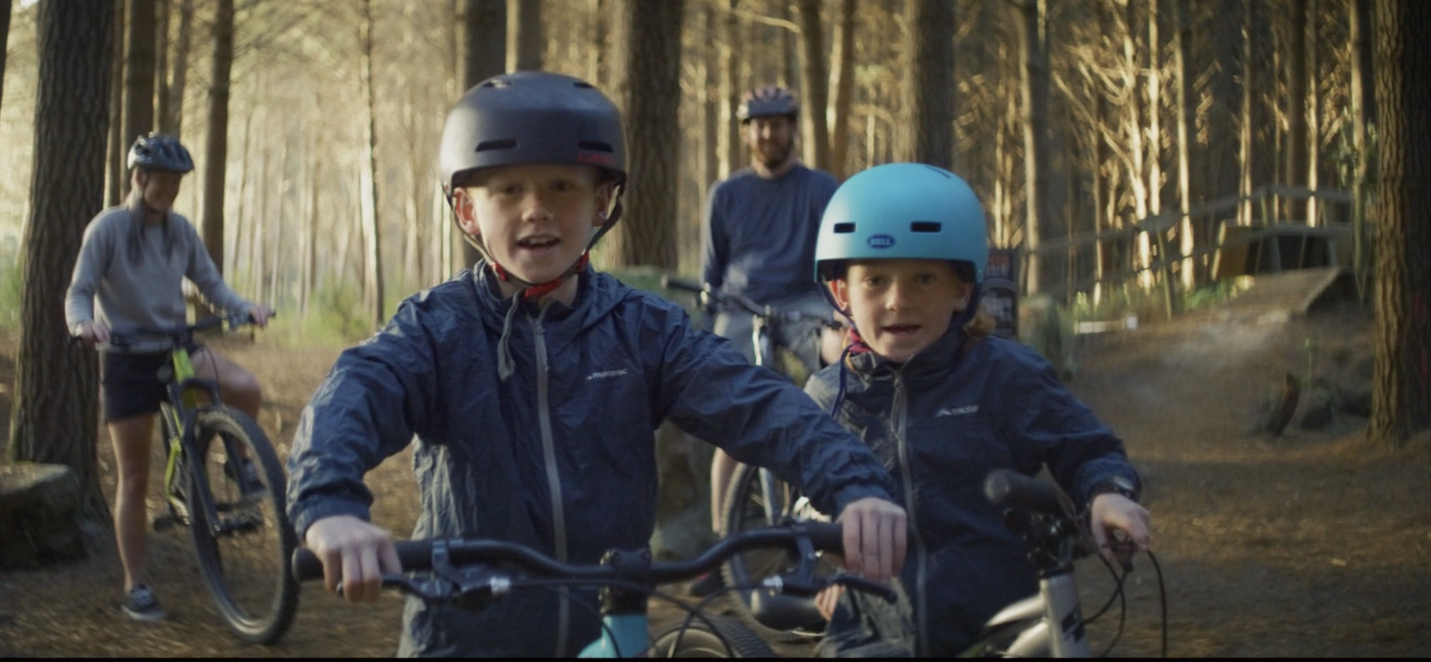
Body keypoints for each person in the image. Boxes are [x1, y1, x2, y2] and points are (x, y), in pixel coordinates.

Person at [285, 71, 910, 658]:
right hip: (463, 630)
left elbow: (759, 402)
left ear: (602, 200)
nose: (537, 208)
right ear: (469, 210)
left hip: (611, 625)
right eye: (509, 189)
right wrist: (331, 508)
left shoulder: (643, 330)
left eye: (562, 186)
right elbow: (355, 394)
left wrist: (853, 483)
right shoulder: (435, 330)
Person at [805, 162, 1153, 657]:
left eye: (923, 279)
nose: (898, 301)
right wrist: (826, 555)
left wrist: (1106, 494)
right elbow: (804, 498)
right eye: (875, 280)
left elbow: (1086, 447)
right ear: (842, 292)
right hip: (872, 633)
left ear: (962, 289)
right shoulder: (828, 396)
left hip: (996, 631)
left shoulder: (1004, 376)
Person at [65, 132, 273, 622]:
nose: (171, 192)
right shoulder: (107, 229)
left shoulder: (180, 230)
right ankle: (135, 586)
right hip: (127, 359)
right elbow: (80, 290)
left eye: (176, 183)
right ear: (139, 178)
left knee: (245, 387)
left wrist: (245, 308)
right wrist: (82, 323)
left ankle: (236, 462)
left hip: (177, 350)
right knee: (134, 478)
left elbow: (211, 285)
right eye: (163, 182)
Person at [692, 84, 842, 596]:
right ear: (745, 133)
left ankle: (846, 502)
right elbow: (711, 275)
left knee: (843, 357)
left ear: (793, 128)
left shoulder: (821, 188)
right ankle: (718, 550)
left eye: (777, 123)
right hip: (740, 307)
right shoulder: (726, 194)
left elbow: (835, 265)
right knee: (731, 413)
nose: (768, 133)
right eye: (758, 124)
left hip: (805, 303)